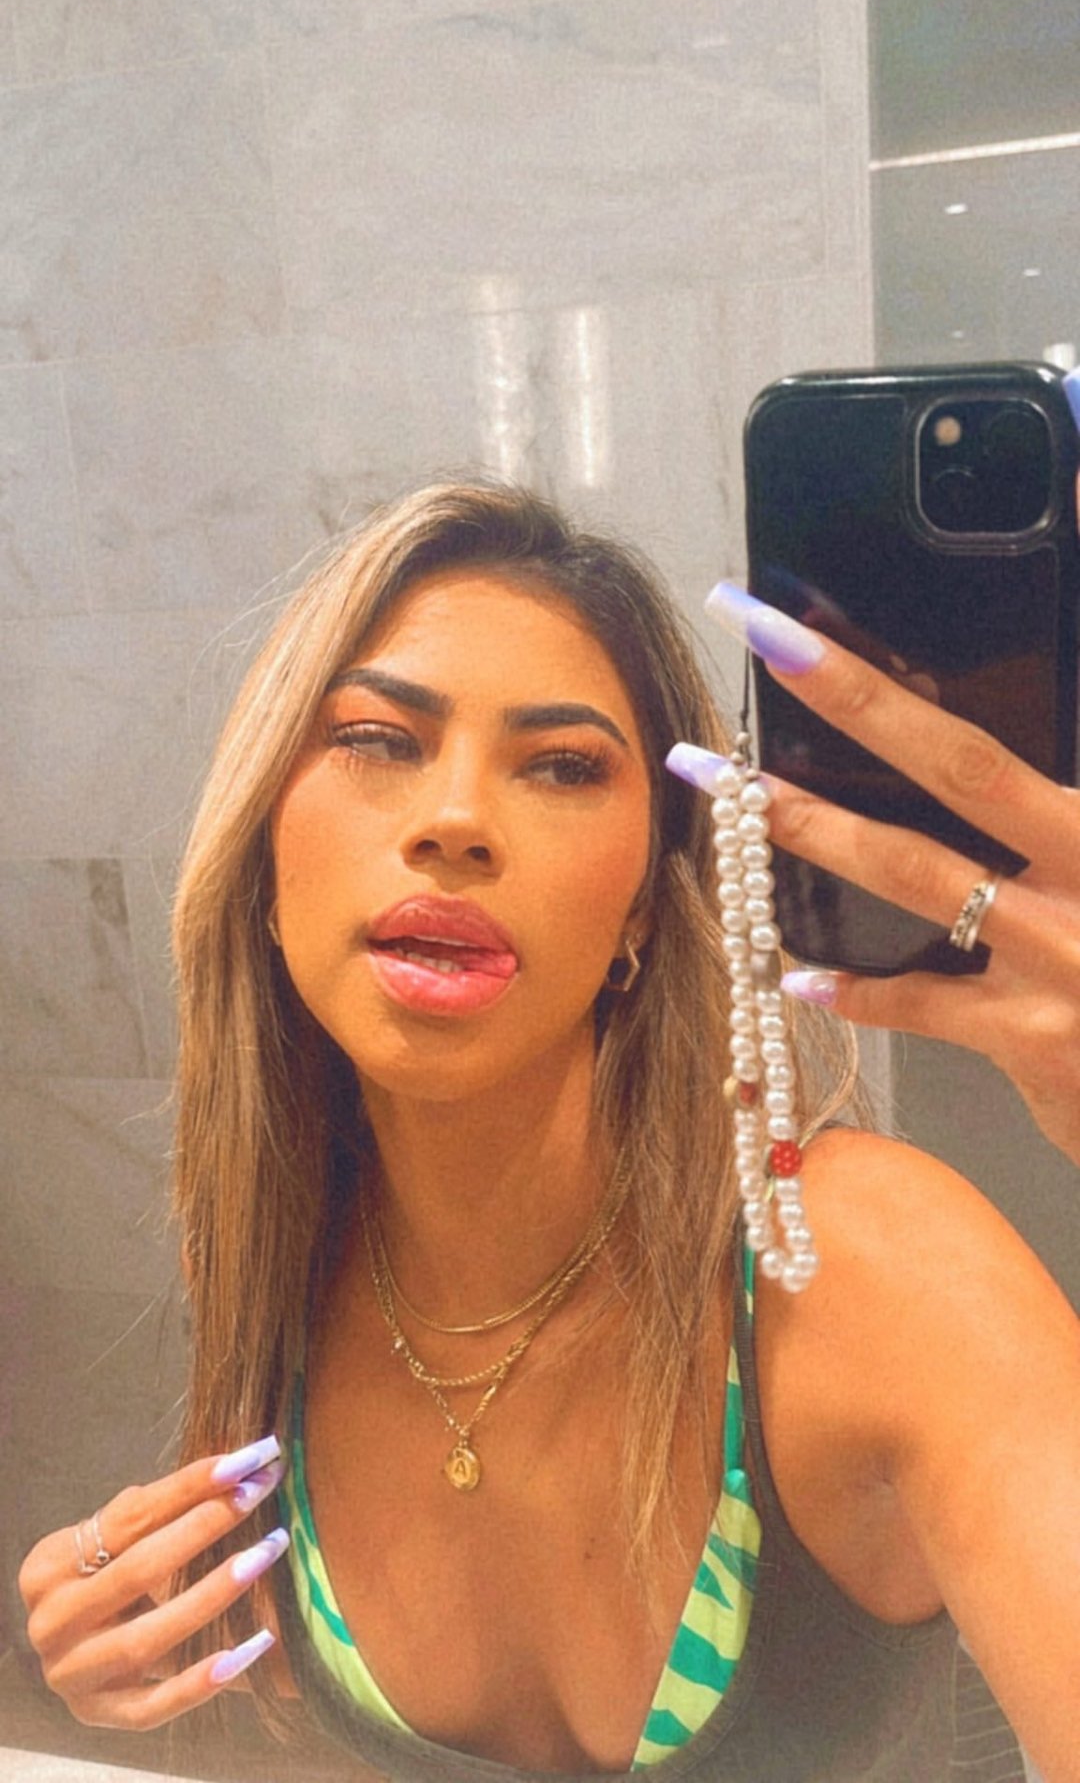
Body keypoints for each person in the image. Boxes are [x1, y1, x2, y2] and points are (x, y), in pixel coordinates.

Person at [17, 481, 1080, 1782]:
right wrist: (104, 1644)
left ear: (642, 906)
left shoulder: (865, 1273)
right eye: (376, 739)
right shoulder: (270, 1256)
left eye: (565, 766)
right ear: (266, 849)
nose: (457, 821)